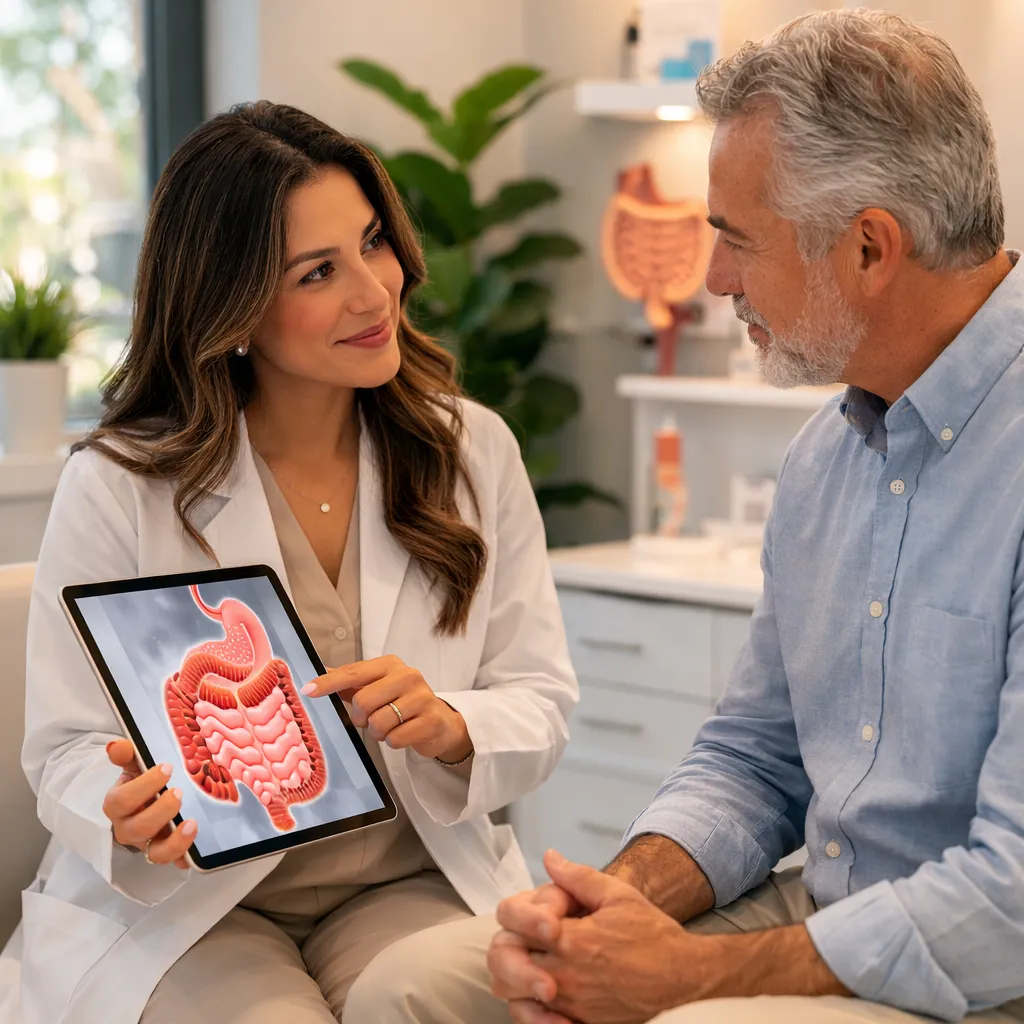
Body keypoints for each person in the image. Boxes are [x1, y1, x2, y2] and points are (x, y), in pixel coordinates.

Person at [343, 10, 1024, 1024]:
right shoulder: (825, 460)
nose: (715, 281)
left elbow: (1009, 901)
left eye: (737, 239)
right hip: (824, 904)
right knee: (414, 990)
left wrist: (684, 978)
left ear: (869, 247)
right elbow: (754, 759)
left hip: (982, 968)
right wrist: (613, 905)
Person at [2, 101, 578, 1024]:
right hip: (193, 905)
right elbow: (64, 746)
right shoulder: (119, 483)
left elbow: (540, 696)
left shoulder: (472, 452)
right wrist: (123, 810)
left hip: (406, 880)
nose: (374, 292)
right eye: (318, 271)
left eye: (373, 243)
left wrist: (453, 724)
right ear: (231, 308)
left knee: (433, 1000)